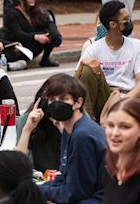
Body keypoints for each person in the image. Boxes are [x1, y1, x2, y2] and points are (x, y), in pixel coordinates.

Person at [75, 1, 140, 121]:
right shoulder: (94, 48)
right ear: (112, 24)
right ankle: (88, 119)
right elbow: (75, 82)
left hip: (129, 96)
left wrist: (122, 101)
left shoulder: (137, 46)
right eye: (125, 19)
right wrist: (83, 63)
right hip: (103, 96)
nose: (129, 22)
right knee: (86, 70)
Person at [36, 73, 106, 203]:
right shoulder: (70, 131)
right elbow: (64, 178)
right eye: (52, 99)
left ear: (78, 102)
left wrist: (37, 192)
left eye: (63, 98)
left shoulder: (82, 136)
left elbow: (76, 193)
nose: (57, 104)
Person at [3, 0, 62, 67]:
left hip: (35, 44)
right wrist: (36, 37)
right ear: (21, 0)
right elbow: (18, 34)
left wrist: (50, 34)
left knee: (52, 34)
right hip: (21, 46)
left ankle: (45, 60)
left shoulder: (35, 10)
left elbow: (49, 23)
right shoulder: (13, 13)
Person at [16, 77, 61, 173]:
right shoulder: (30, 118)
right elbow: (19, 164)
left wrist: (63, 128)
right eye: (50, 99)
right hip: (43, 177)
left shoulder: (74, 116)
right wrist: (27, 130)